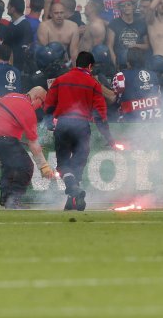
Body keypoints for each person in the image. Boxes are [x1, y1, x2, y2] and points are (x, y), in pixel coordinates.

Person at [44, 51, 115, 211]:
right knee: (78, 163)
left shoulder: (60, 80)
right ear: (90, 66)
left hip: (63, 125)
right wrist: (108, 137)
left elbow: (48, 105)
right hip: (82, 127)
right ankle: (74, 193)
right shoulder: (93, 84)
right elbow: (100, 115)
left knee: (63, 164)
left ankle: (72, 196)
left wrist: (49, 123)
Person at [0, 87, 54, 209]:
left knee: (9, 165)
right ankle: (13, 200)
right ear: (36, 98)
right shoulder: (28, 110)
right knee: (26, 166)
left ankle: (5, 201)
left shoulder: (10, 95)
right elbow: (33, 144)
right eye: (41, 103)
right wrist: (44, 167)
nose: (40, 107)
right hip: (3, 138)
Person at [107, 0, 149, 67]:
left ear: (133, 6)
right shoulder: (114, 23)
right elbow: (109, 46)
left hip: (138, 59)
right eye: (123, 5)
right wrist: (115, 64)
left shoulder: (141, 23)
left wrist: (135, 45)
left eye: (128, 4)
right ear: (120, 8)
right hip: (120, 59)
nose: (126, 7)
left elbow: (147, 46)